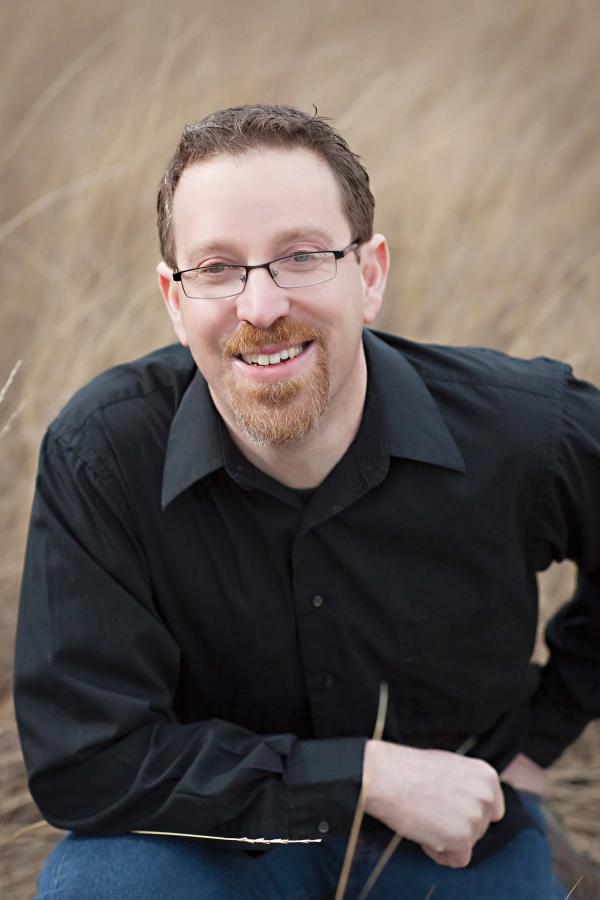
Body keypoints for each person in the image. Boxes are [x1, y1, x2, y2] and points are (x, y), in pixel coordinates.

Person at [14, 104, 600, 900]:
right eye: (217, 268)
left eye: (300, 257)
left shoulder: (525, 429)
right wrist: (365, 775)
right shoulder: (104, 455)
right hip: (217, 846)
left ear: (369, 274)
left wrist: (536, 743)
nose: (259, 308)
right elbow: (87, 762)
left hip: (455, 848)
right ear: (173, 300)